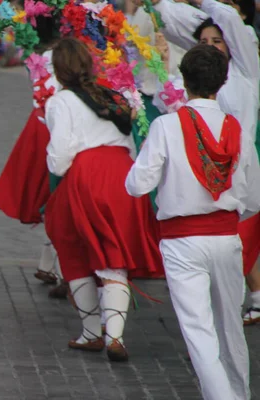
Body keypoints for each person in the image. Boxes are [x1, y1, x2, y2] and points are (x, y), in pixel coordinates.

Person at [126, 44, 260, 400]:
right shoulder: (238, 130)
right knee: (231, 326)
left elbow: (137, 184)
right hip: (227, 236)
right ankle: (239, 394)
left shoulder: (167, 126)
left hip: (182, 241)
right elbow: (254, 198)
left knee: (200, 332)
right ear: (223, 80)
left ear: (184, 81)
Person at [44, 37, 163, 362]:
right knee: (113, 255)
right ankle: (116, 337)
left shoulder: (61, 101)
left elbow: (60, 158)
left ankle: (91, 332)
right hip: (122, 175)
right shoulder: (114, 96)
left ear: (58, 68)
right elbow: (133, 143)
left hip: (87, 175)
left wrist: (53, 162)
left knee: (72, 248)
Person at [147, 0, 260, 326]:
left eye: (218, 41)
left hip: (238, 174)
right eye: (203, 42)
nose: (210, 47)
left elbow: (226, 16)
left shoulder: (245, 72)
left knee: (239, 249)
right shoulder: (193, 84)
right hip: (200, 178)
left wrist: (201, 0)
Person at [0, 16, 68, 298]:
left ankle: (50, 264)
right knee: (59, 196)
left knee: (50, 195)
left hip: (39, 127)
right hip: (58, 127)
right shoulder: (64, 57)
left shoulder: (36, 57)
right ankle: (61, 269)